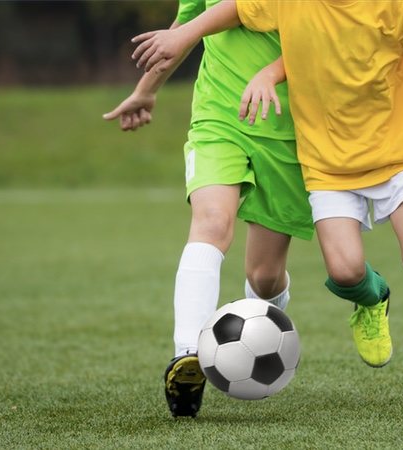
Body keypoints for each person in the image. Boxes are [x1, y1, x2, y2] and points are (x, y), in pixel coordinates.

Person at [129, 0, 403, 407]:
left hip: (395, 154)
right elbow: (244, 14)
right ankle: (372, 297)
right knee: (345, 271)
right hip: (325, 164)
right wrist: (250, 67)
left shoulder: (400, 4)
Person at [103, 0, 313, 418]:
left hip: (287, 127)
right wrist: (146, 90)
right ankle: (187, 359)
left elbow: (241, 10)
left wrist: (186, 33)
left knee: (265, 277)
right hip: (219, 118)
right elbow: (186, 25)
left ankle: (255, 329)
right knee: (213, 222)